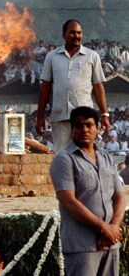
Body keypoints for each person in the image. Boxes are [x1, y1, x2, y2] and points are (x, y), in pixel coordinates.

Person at [50, 106, 125, 276]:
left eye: (89, 125)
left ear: (97, 128)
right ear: (72, 129)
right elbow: (68, 201)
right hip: (81, 245)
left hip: (110, 243)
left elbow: (119, 196)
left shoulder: (106, 157)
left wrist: (113, 228)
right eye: (79, 125)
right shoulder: (64, 159)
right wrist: (103, 227)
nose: (84, 129)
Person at [37, 20, 109, 152]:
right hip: (60, 116)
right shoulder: (52, 57)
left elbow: (98, 87)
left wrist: (105, 114)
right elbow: (45, 88)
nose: (76, 36)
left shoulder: (92, 56)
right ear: (64, 34)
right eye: (72, 32)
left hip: (84, 118)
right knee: (61, 155)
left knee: (84, 154)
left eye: (79, 33)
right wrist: (40, 117)